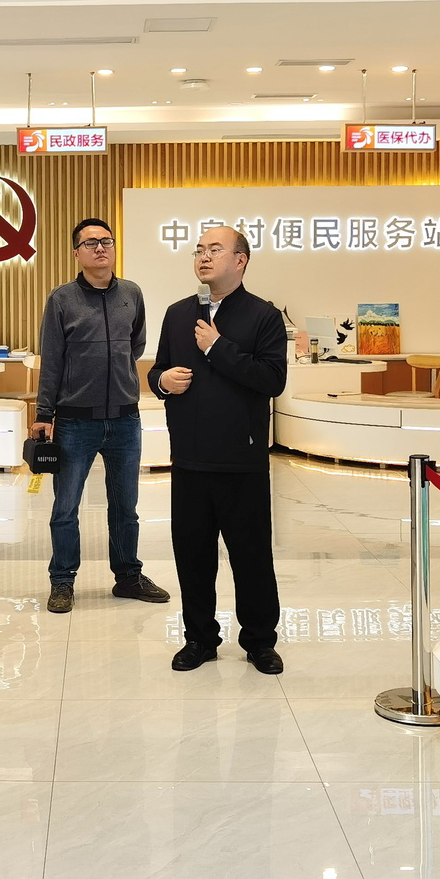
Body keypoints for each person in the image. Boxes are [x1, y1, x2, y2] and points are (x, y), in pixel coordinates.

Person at [148, 225, 288, 675]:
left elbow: (272, 380)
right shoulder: (177, 314)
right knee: (192, 555)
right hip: (189, 458)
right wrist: (162, 381)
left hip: (241, 460)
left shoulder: (263, 316)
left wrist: (218, 347)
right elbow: (157, 371)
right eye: (199, 250)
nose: (204, 257)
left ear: (240, 260)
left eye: (214, 249)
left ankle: (260, 642)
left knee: (251, 556)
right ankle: (199, 639)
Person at [31, 217, 170, 614]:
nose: (100, 248)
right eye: (90, 243)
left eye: (106, 241)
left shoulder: (132, 293)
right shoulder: (62, 299)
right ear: (76, 253)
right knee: (65, 508)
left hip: (125, 418)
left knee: (126, 507)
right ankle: (62, 581)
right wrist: (44, 412)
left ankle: (128, 576)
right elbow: (52, 359)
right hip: (74, 421)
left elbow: (136, 344)